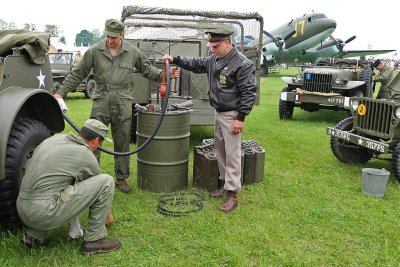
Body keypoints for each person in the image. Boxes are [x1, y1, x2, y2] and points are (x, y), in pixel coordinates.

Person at [53, 18, 168, 193]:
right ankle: (92, 177)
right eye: (107, 36)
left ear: (121, 35)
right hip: (101, 99)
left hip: (123, 99)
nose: (110, 40)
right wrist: (60, 93)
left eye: (114, 37)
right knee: (93, 138)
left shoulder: (132, 52)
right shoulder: (94, 51)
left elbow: (147, 69)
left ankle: (121, 178)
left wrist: (165, 75)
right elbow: (78, 74)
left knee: (122, 140)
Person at [163, 28, 257, 212]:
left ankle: (232, 194)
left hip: (232, 114)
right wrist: (175, 59)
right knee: (220, 150)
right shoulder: (214, 59)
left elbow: (248, 92)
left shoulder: (242, 64)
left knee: (232, 154)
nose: (213, 50)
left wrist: (241, 118)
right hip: (218, 112)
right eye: (211, 46)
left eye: (216, 46)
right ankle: (225, 184)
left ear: (228, 42)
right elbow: (196, 63)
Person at [16, 119, 120, 255]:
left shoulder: (54, 140)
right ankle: (95, 240)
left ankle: (34, 235)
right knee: (107, 181)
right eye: (100, 143)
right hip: (42, 212)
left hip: (22, 207)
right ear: (96, 140)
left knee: (54, 186)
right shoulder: (85, 155)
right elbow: (99, 188)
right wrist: (108, 216)